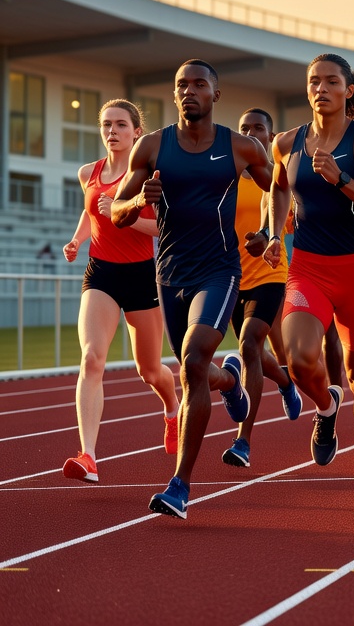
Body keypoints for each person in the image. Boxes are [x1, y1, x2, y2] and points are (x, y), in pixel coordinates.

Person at [111, 60, 270, 519]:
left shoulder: (239, 147)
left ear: (216, 95)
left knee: (195, 358)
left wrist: (267, 233)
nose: (190, 91)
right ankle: (232, 380)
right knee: (194, 368)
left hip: (220, 271)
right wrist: (141, 199)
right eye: (182, 85)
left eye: (199, 84)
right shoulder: (153, 145)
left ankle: (180, 485)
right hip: (170, 274)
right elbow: (118, 210)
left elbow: (279, 192)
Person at [259, 54, 354, 513]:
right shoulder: (287, 142)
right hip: (309, 269)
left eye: (331, 81)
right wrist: (275, 234)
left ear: (348, 90)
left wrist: (340, 181)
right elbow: (278, 187)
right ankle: (324, 407)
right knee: (299, 361)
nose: (321, 88)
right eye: (313, 81)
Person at [60, 99, 178, 483]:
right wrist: (78, 240)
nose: (112, 131)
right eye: (107, 125)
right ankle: (88, 456)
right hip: (102, 274)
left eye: (121, 125)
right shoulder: (88, 172)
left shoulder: (149, 177)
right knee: (92, 358)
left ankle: (172, 406)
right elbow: (88, 210)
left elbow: (162, 229)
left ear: (136, 132)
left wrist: (122, 214)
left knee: (149, 370)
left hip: (143, 276)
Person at [219, 108, 304, 469]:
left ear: (270, 137)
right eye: (244, 128)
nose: (251, 132)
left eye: (258, 127)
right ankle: (285, 381)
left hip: (270, 275)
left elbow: (292, 217)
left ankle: (243, 440)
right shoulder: (226, 179)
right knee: (254, 351)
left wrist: (270, 235)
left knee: (249, 343)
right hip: (230, 279)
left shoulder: (275, 179)